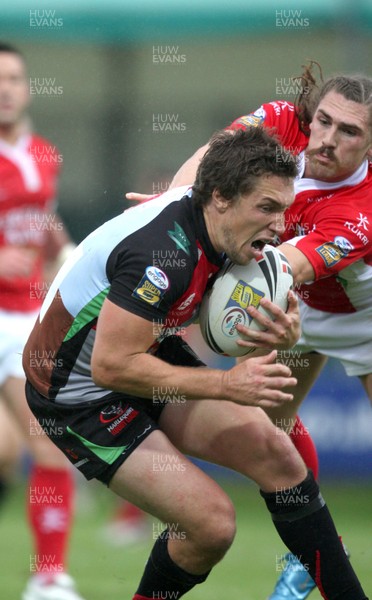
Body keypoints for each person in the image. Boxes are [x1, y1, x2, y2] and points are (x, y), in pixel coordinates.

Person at [23, 126, 368, 600]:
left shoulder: (227, 232)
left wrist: (278, 335)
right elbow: (110, 368)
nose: (280, 225)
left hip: (140, 353)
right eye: (267, 208)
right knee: (211, 525)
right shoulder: (160, 255)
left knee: (277, 455)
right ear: (221, 198)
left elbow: (225, 338)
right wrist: (228, 387)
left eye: (284, 209)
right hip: (75, 394)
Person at [131, 63, 372, 600]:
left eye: (350, 131)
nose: (328, 139)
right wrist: (170, 213)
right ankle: (311, 556)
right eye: (325, 121)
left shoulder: (364, 205)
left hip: (360, 315)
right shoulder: (282, 124)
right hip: (297, 308)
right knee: (269, 424)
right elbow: (210, 162)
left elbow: (280, 266)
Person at [0, 42, 85, 600]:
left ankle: (47, 575)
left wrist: (67, 251)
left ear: (27, 87)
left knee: (48, 441)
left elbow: (42, 222)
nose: (5, 88)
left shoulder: (44, 154)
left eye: (13, 78)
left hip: (21, 320)